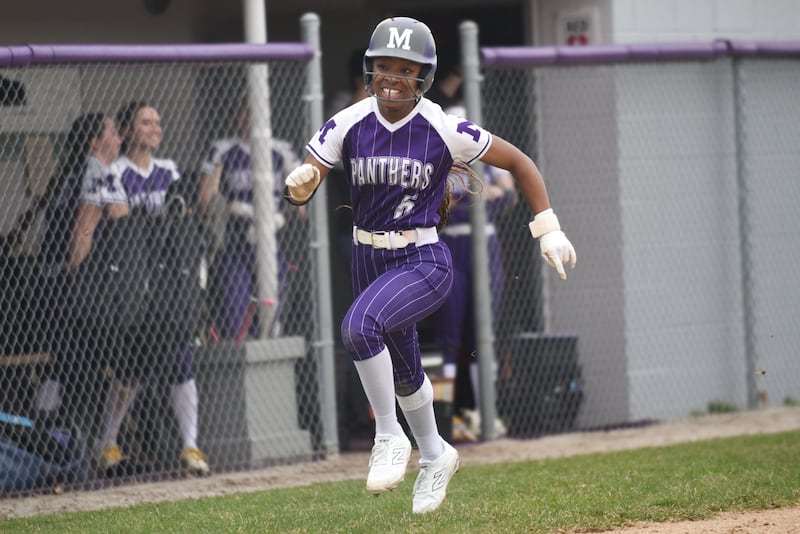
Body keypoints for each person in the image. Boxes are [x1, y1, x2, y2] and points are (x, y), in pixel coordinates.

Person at [283, 17, 576, 514]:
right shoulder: (350, 120)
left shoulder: (442, 125)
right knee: (403, 371)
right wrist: (301, 185)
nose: (392, 77)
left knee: (358, 327)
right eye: (383, 67)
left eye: (405, 68)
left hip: (423, 257)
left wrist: (547, 227)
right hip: (367, 257)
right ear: (369, 70)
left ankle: (388, 436)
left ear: (425, 75)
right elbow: (308, 178)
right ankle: (436, 455)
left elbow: (520, 162)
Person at [75, 101, 210, 477]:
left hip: (167, 285)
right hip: (130, 285)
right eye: (145, 122)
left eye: (157, 122)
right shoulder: (116, 171)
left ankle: (190, 446)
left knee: (181, 356)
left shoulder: (170, 171)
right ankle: (109, 441)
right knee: (130, 365)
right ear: (129, 131)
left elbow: (182, 219)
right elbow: (122, 224)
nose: (154, 128)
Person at [32, 113, 123, 425]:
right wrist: (79, 282)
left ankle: (46, 428)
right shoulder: (97, 170)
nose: (119, 137)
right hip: (72, 279)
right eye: (112, 132)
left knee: (65, 362)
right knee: (85, 362)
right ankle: (72, 436)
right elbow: (84, 229)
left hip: (50, 277)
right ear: (95, 142)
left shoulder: (69, 172)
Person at [197, 99, 302, 340]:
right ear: (239, 115)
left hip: (272, 237)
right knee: (235, 306)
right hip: (234, 237)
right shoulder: (223, 149)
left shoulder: (281, 150)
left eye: (259, 111)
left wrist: (279, 214)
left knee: (273, 306)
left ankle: (268, 351)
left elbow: (302, 203)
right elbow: (204, 201)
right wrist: (232, 208)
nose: (252, 117)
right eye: (247, 112)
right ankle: (240, 356)